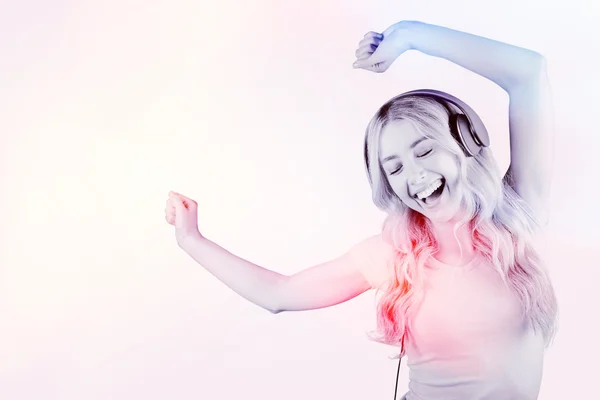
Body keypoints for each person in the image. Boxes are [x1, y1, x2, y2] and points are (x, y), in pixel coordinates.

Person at [164, 20, 558, 400]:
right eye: (396, 167)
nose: (415, 175)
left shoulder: (518, 214)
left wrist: (409, 35)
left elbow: (528, 72)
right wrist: (191, 240)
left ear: (467, 143)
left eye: (424, 150)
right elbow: (278, 293)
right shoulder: (391, 257)